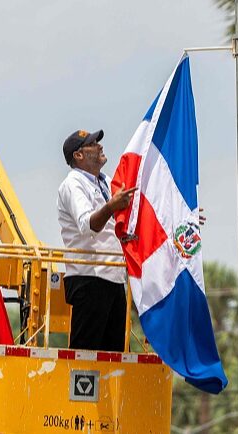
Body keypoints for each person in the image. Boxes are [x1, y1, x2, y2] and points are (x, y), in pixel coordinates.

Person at [57, 129, 137, 352]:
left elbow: (133, 216)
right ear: (78, 155)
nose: (100, 146)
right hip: (88, 278)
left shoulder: (105, 182)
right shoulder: (73, 184)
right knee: (85, 358)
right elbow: (87, 224)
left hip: (112, 276)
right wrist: (111, 206)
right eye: (92, 143)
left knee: (115, 356)